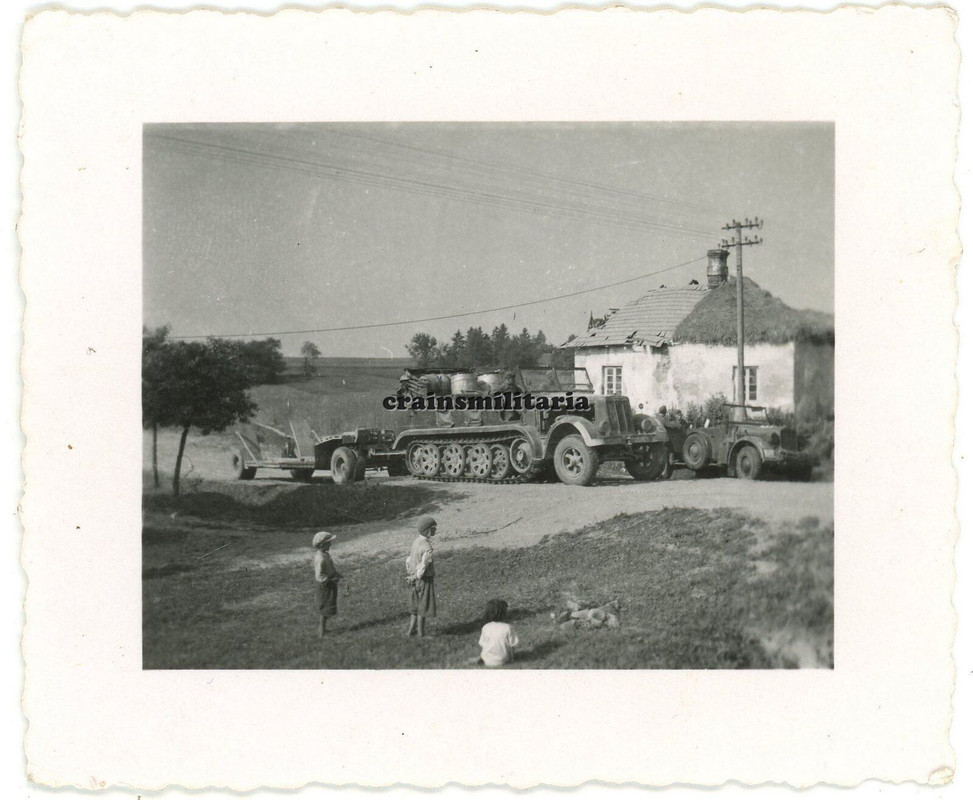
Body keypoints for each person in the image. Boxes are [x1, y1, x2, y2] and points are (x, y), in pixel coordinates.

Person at [406, 515, 437, 637]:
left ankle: (410, 631)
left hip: (413, 578)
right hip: (423, 579)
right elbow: (423, 565)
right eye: (433, 528)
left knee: (414, 606)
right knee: (423, 607)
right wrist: (416, 576)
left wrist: (411, 574)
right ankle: (421, 634)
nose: (435, 530)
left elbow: (409, 559)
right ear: (428, 530)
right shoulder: (427, 547)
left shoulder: (416, 542)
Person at [312, 531, 341, 636]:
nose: (331, 544)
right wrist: (329, 580)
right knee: (324, 607)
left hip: (330, 582)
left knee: (328, 605)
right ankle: (321, 631)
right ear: (322, 545)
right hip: (325, 585)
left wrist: (336, 573)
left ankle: (323, 629)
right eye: (329, 542)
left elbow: (329, 568)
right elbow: (319, 576)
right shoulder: (320, 558)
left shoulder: (325, 555)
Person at [477, 599, 519, 667]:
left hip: (487, 660)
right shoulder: (508, 627)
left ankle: (483, 658)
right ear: (504, 614)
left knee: (486, 652)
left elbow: (483, 644)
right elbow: (512, 646)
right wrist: (512, 659)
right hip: (504, 659)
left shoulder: (486, 627)